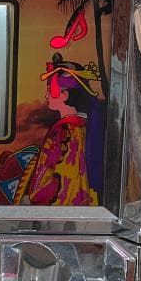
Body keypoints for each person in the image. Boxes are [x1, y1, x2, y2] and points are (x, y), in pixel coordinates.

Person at [23, 54, 104, 206]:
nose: (46, 95)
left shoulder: (64, 131)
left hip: (63, 206)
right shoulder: (83, 126)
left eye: (50, 90)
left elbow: (58, 175)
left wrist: (34, 199)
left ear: (65, 95)